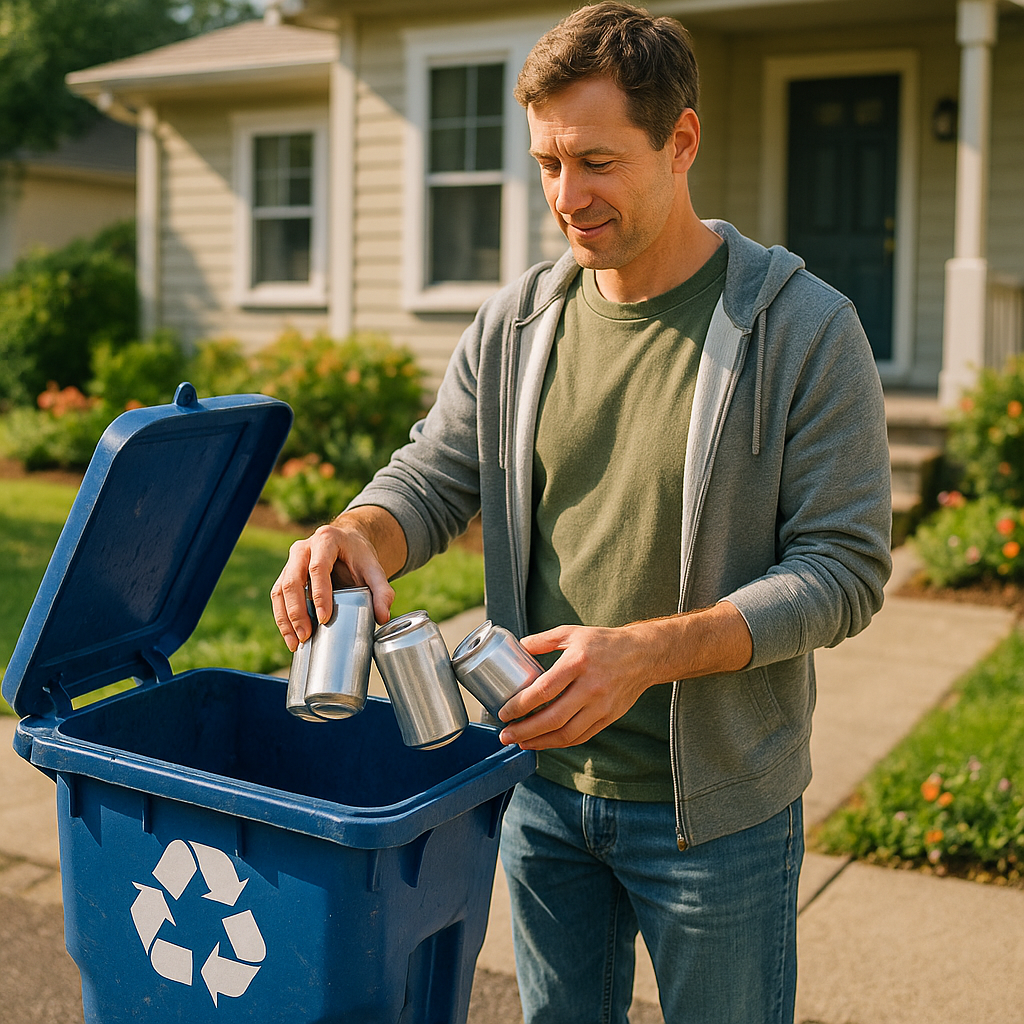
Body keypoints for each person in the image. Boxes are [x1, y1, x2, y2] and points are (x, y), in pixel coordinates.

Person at [271, 4, 893, 1021]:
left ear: (681, 139)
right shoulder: (518, 321)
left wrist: (645, 651)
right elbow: (435, 474)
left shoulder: (803, 329)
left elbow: (842, 569)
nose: (567, 197)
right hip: (541, 791)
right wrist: (358, 532)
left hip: (717, 816)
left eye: (596, 161)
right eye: (548, 163)